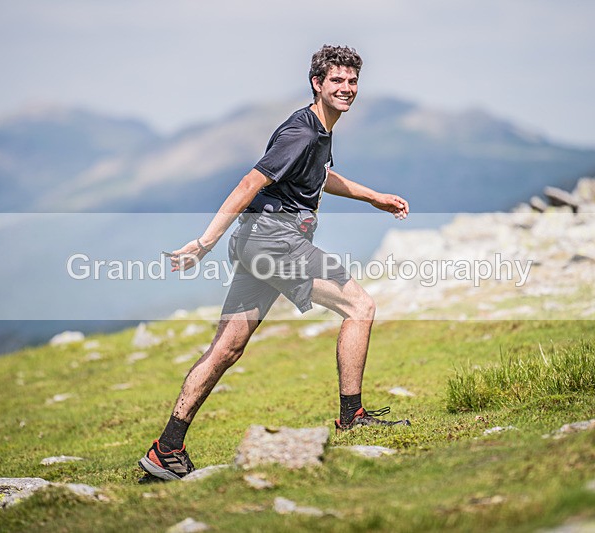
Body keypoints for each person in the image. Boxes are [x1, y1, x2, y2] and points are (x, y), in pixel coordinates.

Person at [139, 45, 411, 481]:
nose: (346, 88)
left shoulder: (315, 129)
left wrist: (373, 196)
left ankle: (165, 449)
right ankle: (351, 415)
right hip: (276, 244)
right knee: (360, 307)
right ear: (316, 84)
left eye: (352, 81)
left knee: (225, 349)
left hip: (255, 245)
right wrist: (205, 242)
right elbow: (251, 181)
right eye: (336, 81)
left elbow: (320, 175)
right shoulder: (301, 132)